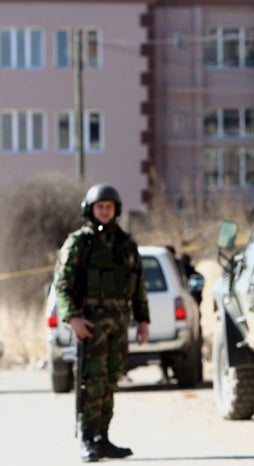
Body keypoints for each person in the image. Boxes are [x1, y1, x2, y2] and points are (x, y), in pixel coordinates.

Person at [53, 184, 150, 463]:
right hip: (90, 322)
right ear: (90, 209)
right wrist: (73, 318)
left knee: (110, 380)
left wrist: (142, 320)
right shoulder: (79, 243)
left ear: (116, 209)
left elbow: (138, 285)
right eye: (100, 206)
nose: (105, 211)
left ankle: (103, 438)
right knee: (90, 382)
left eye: (109, 206)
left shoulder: (126, 244)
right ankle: (87, 439)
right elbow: (63, 285)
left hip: (118, 322)